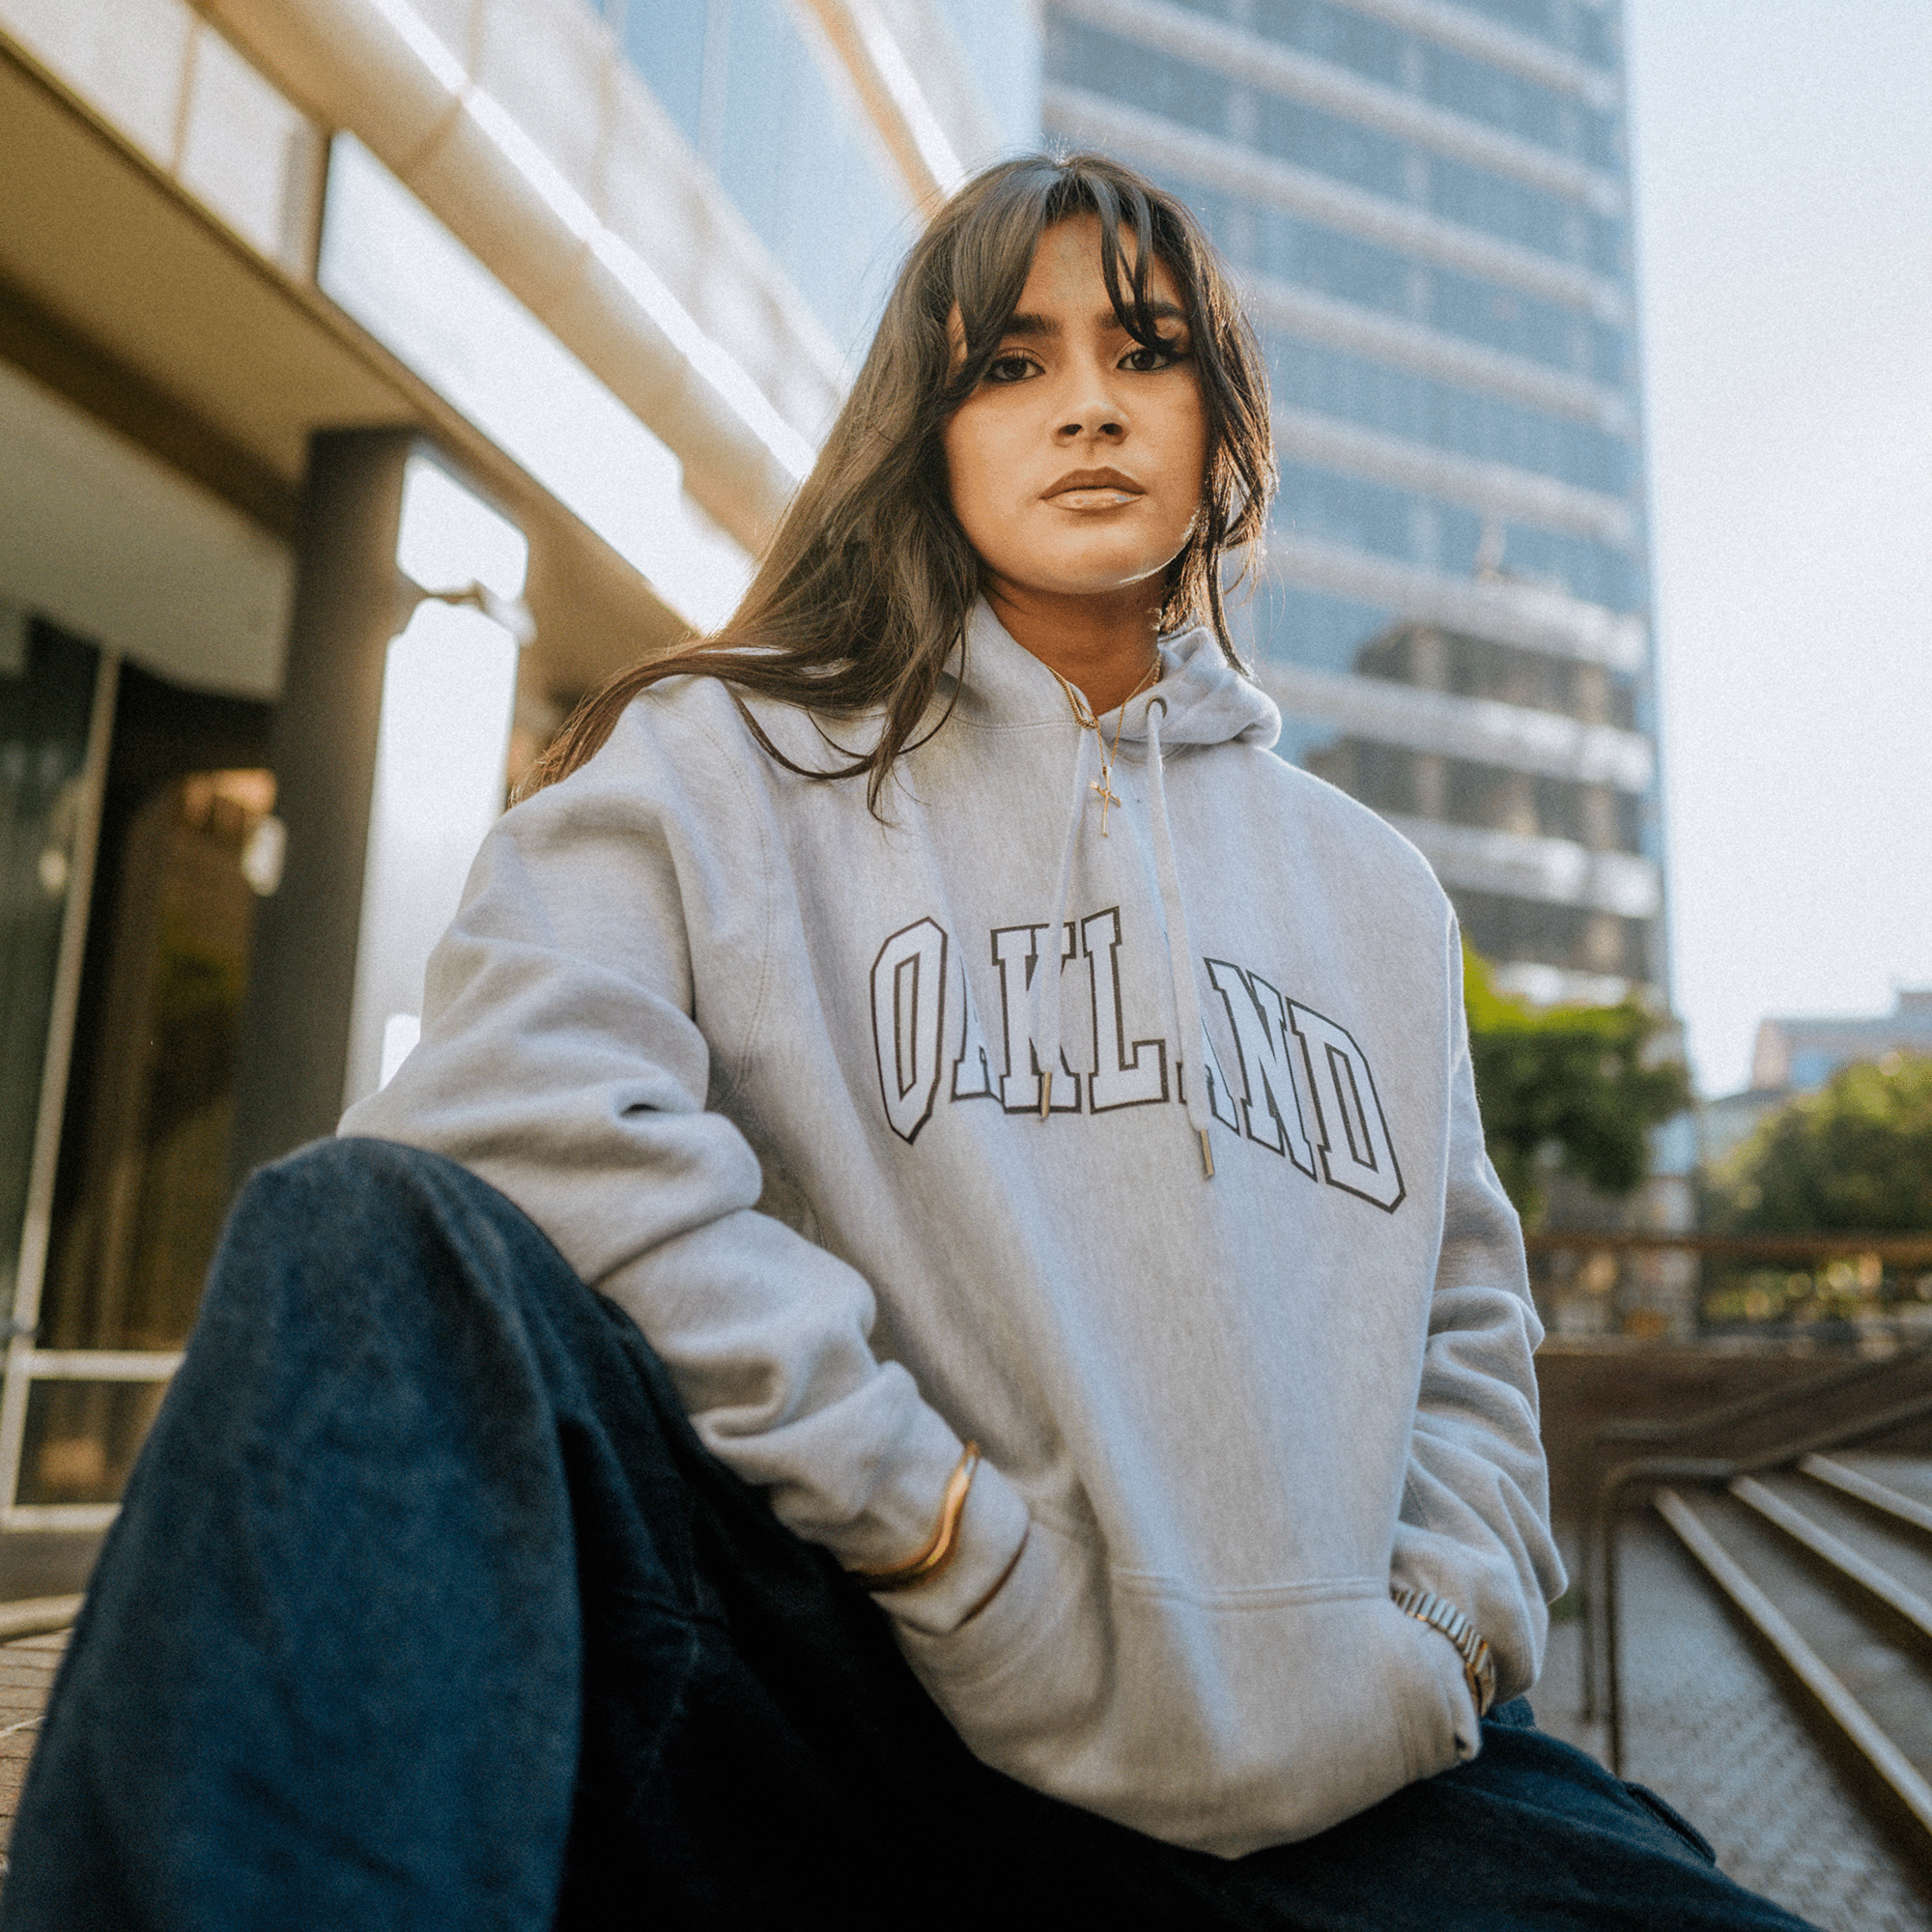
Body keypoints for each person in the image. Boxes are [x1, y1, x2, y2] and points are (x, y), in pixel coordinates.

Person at [3, 154, 1812, 1930]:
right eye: (1011, 365)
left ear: (1219, 422)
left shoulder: (1379, 899)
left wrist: (1428, 1652)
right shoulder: (722, 761)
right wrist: (939, 1528)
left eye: (1146, 351)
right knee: (360, 1236)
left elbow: (1473, 1338)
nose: (1088, 409)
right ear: (926, 429)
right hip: (845, 1701)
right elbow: (513, 1114)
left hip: (1329, 1787)